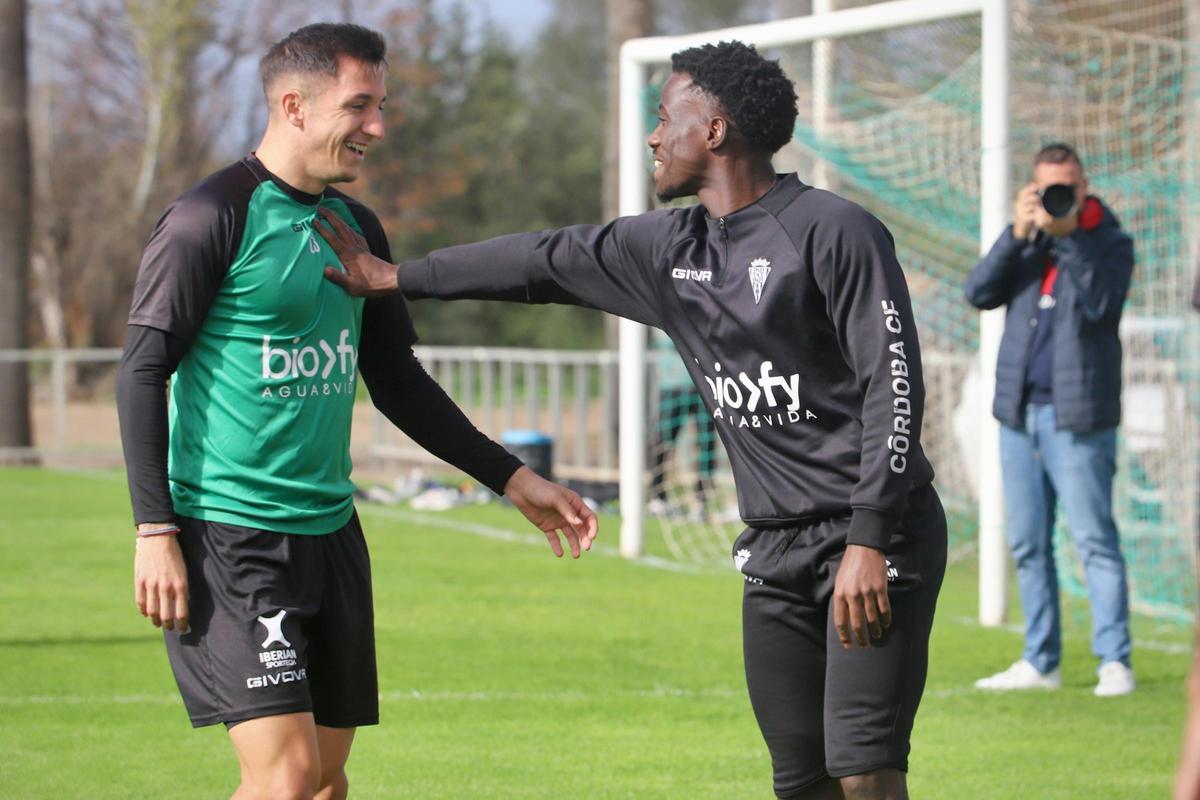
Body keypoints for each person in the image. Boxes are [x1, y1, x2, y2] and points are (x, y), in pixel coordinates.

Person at [317, 39, 947, 800]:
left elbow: (895, 387)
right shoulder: (667, 249)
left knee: (866, 773)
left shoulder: (835, 232)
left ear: (713, 130)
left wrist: (870, 538)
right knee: (802, 782)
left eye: (664, 117)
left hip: (875, 535)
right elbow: (540, 262)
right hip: (774, 551)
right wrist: (398, 278)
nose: (653, 137)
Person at [115, 23, 596, 800]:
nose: (377, 127)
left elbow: (396, 382)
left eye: (381, 106)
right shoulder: (211, 218)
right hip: (231, 536)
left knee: (326, 782)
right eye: (361, 106)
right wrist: (154, 530)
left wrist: (512, 478)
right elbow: (141, 373)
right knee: (285, 780)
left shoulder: (357, 229)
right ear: (295, 105)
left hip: (333, 535)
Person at [966, 143, 1135, 697]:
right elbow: (979, 292)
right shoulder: (1028, 242)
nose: (1056, 197)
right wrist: (1017, 234)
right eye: (1045, 189)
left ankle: (1115, 662)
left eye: (1066, 187)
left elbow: (1102, 304)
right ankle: (1041, 662)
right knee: (1028, 543)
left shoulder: (1108, 242)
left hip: (1078, 416)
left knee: (1093, 540)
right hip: (1017, 413)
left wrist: (1069, 238)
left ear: (1084, 186)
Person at [648, 327, 717, 516]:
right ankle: (658, 497)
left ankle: (702, 500)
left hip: (704, 385)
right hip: (672, 385)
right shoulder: (663, 304)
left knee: (706, 443)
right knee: (663, 441)